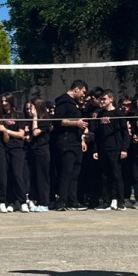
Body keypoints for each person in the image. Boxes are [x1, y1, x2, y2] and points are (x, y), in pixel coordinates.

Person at [54, 80, 88, 211]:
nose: (83, 95)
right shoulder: (63, 101)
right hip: (66, 142)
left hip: (76, 141)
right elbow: (58, 121)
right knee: (66, 172)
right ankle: (62, 201)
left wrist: (83, 139)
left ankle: (73, 201)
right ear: (76, 89)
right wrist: (76, 124)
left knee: (75, 173)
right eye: (83, 92)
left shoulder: (76, 104)